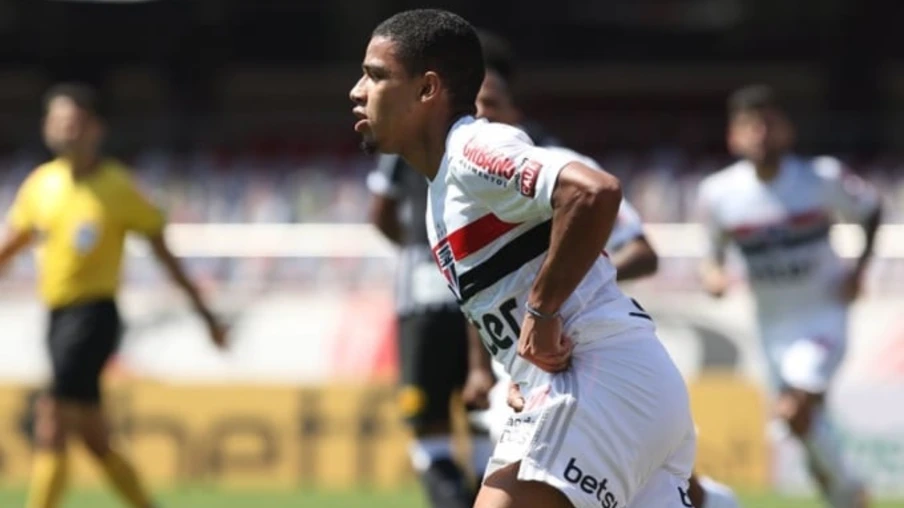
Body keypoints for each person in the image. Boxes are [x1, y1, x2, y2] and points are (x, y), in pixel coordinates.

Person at [350, 9, 696, 507]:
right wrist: (516, 364)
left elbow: (594, 193)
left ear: (427, 89)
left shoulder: (472, 147)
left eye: (376, 75)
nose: (357, 90)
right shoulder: (439, 194)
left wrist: (543, 309)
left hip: (595, 380)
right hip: (614, 383)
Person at [468, 60, 739, 508]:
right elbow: (482, 296)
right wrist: (479, 368)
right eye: (471, 109)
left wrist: (556, 290)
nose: (482, 119)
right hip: (514, 372)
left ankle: (710, 499)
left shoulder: (565, 173)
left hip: (581, 357)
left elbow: (640, 250)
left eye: (492, 106)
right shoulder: (458, 191)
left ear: (517, 115)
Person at [0, 83, 227, 508]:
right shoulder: (41, 185)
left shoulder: (118, 187)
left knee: (51, 419)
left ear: (94, 129)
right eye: (57, 121)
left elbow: (166, 257)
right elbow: (10, 247)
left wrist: (206, 315)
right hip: (56, 317)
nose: (65, 130)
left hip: (95, 315)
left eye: (74, 122)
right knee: (93, 439)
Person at [697, 84, 881, 508]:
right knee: (804, 426)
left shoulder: (821, 178)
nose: (760, 133)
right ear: (733, 136)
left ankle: (852, 494)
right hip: (770, 324)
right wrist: (713, 275)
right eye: (749, 124)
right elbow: (713, 253)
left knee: (795, 411)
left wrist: (859, 269)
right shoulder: (719, 193)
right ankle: (844, 493)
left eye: (769, 123)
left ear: (786, 131)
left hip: (823, 314)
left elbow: (871, 210)